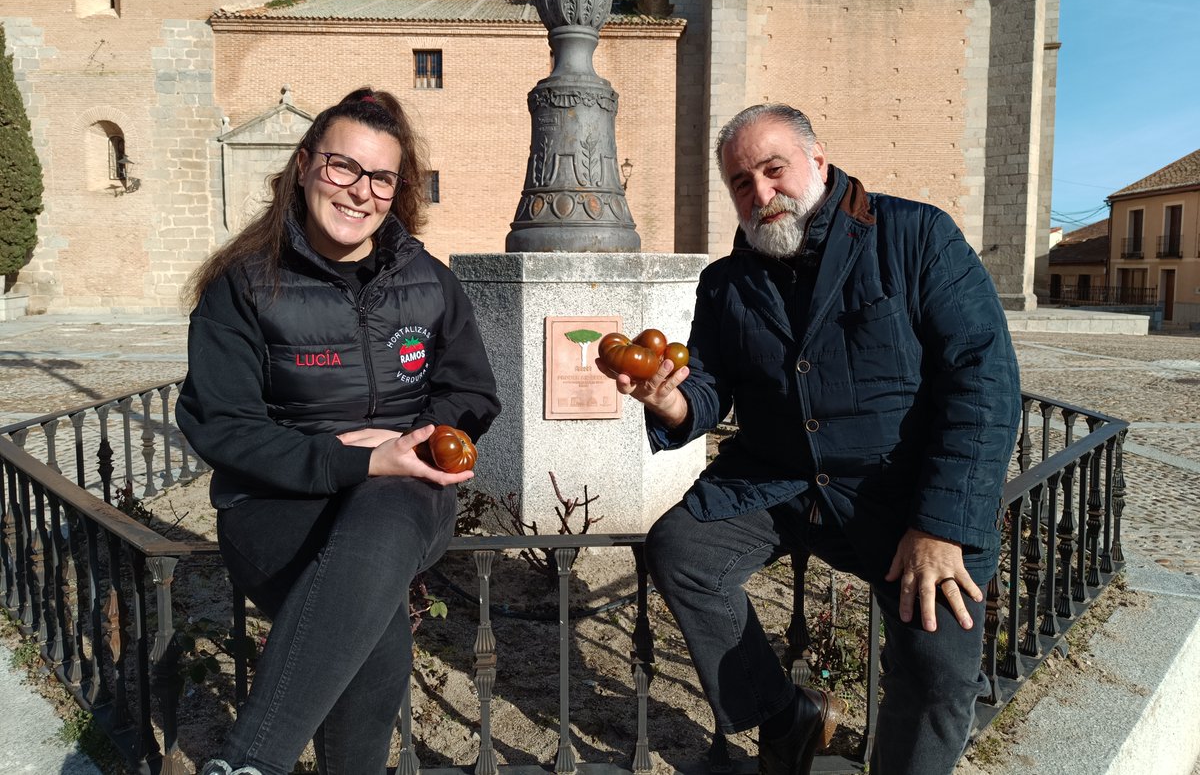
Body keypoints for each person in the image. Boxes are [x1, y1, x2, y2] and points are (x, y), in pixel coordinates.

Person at [599, 104, 1020, 775]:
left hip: (901, 496)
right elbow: (709, 388)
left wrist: (941, 526)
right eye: (742, 183)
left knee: (938, 676)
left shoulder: (916, 236)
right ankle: (785, 716)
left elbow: (983, 383)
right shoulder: (726, 282)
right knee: (682, 550)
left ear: (817, 162)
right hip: (780, 484)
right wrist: (673, 401)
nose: (761, 194)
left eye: (774, 170)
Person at [177, 87, 500, 775]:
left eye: (382, 177)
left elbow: (470, 390)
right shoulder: (242, 286)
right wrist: (346, 460)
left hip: (405, 498)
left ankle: (247, 762)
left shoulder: (430, 282)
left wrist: (418, 445)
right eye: (342, 167)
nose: (361, 192)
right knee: (375, 623)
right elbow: (222, 426)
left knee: (384, 517)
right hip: (272, 508)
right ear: (303, 166)